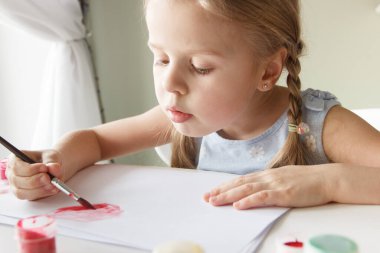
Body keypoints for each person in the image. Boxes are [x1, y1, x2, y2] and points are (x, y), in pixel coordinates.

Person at [6, 0, 380, 210]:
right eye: (161, 58)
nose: (169, 84)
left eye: (200, 67)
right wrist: (56, 159)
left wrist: (329, 180)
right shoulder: (180, 119)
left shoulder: (318, 126)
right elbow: (97, 141)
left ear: (268, 69)